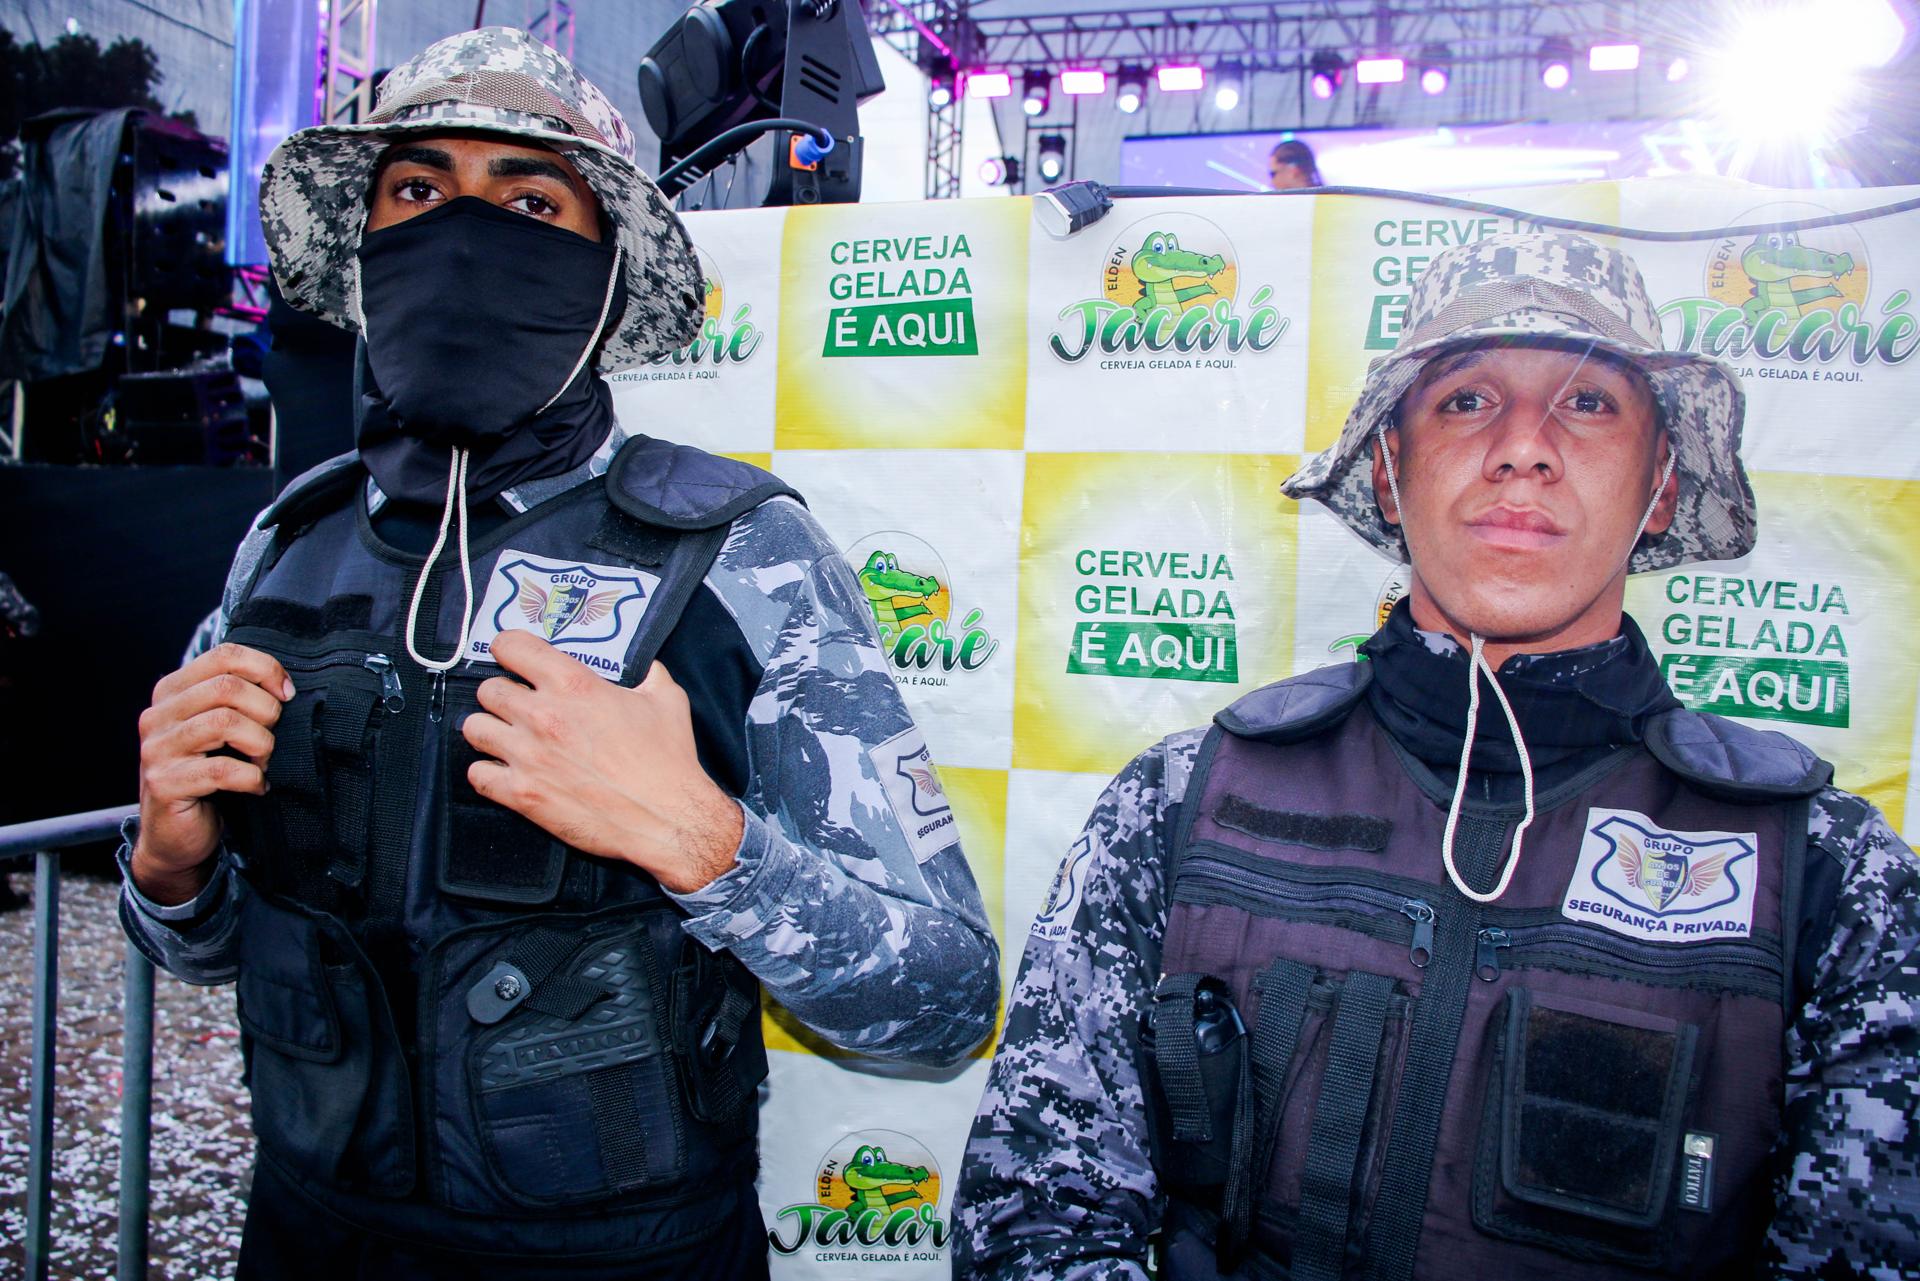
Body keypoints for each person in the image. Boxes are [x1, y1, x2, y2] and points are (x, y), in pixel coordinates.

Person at [118, 28, 998, 1280]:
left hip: (626, 1257)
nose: (463, 236)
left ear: (604, 274)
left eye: (532, 202)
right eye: (417, 190)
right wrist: (169, 862)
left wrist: (707, 844)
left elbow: (944, 1003)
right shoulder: (288, 546)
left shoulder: (737, 551)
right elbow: (200, 948)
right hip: (308, 1236)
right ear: (365, 247)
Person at [954, 232, 1919, 1279]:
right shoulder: (1185, 803)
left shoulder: (1823, 872)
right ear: (1388, 468)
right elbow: (1031, 1225)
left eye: (1588, 402)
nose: (1524, 449)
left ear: (1663, 486)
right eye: (1466, 399)